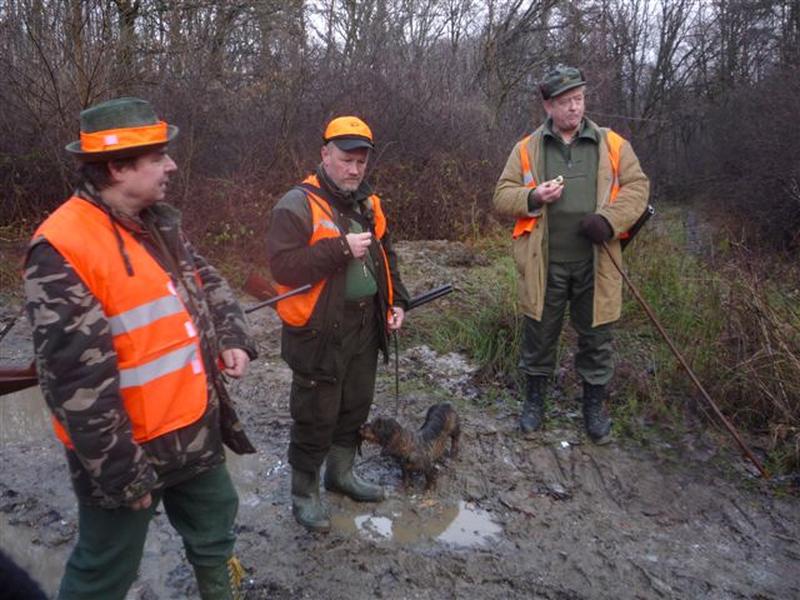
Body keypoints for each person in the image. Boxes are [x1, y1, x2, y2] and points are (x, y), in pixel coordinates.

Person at [23, 97, 256, 599]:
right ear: (117, 167)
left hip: (192, 426)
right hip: (126, 450)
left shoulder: (155, 221)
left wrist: (232, 336)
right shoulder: (61, 246)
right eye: (158, 157)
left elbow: (207, 279)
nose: (171, 166)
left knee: (215, 532)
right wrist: (122, 473)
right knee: (105, 569)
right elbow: (74, 384)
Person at [266, 116, 409, 532]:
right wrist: (339, 249)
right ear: (325, 154)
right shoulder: (296, 203)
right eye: (346, 159)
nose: (354, 169)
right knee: (315, 413)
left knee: (354, 406)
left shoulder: (370, 204)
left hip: (366, 323)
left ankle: (341, 475)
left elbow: (387, 256)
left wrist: (398, 301)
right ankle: (304, 493)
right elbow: (282, 267)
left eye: (361, 161)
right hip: (318, 331)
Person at [492, 65, 649, 443]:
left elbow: (638, 187)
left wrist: (608, 221)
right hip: (543, 264)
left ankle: (593, 410)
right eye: (565, 102)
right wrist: (533, 196)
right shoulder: (527, 149)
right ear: (548, 106)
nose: (574, 107)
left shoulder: (612, 144)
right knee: (539, 337)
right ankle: (534, 405)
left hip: (597, 262)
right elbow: (502, 195)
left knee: (596, 338)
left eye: (578, 99)